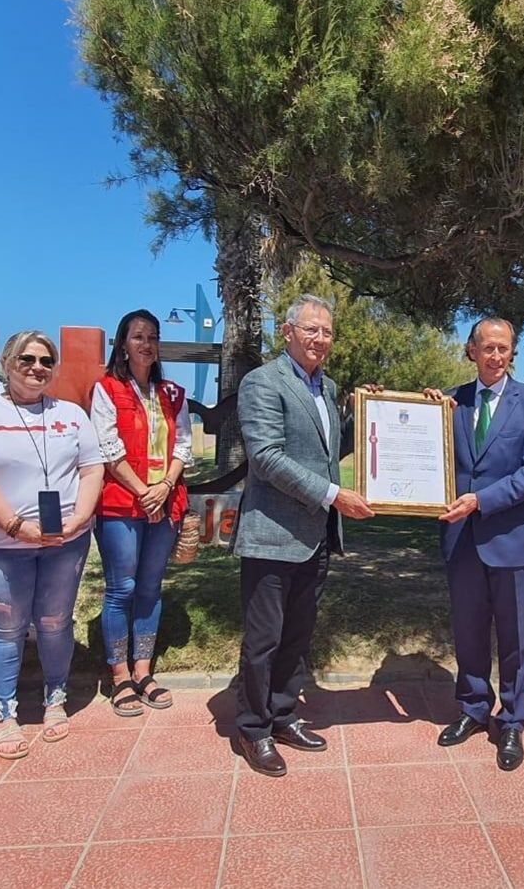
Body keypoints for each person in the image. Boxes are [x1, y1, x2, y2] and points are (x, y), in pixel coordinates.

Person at [230, 295, 374, 777]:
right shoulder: (262, 382)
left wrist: (367, 413)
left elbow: (326, 452)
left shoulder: (326, 387)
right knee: (264, 640)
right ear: (287, 332)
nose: (320, 339)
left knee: (297, 636)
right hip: (272, 535)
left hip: (314, 538)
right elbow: (267, 457)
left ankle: (284, 714)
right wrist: (334, 495)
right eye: (311, 330)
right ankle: (254, 729)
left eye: (327, 332)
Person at [0, 331, 104, 760]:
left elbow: (92, 469)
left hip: (67, 541)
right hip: (2, 543)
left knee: (56, 621)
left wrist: (79, 519)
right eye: (27, 359)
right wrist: (15, 525)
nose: (37, 367)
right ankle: (4, 712)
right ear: (7, 362)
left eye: (45, 360)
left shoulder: (72, 415)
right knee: (6, 626)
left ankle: (55, 697)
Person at [425, 318, 524, 771]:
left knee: (516, 637)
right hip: (461, 541)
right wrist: (420, 414)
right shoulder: (450, 402)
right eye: (488, 348)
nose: (496, 357)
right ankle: (473, 708)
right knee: (469, 631)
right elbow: (428, 450)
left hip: (512, 539)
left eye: (504, 349)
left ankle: (514, 720)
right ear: (472, 351)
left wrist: (481, 500)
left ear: (512, 353)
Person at [90, 309, 192, 715]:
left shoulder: (172, 393)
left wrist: (164, 486)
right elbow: (107, 445)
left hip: (163, 502)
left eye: (152, 337)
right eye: (137, 337)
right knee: (122, 589)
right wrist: (142, 490)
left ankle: (144, 669)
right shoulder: (107, 389)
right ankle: (119, 677)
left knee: (150, 588)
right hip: (120, 504)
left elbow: (183, 443)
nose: (146, 344)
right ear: (123, 343)